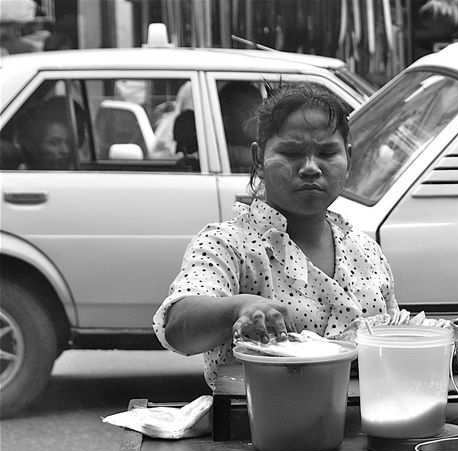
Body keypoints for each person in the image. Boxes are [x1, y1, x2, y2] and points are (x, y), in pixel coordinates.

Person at [153, 82, 399, 388]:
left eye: (326, 152)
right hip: (261, 430)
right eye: (291, 153)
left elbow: (396, 344)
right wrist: (239, 307)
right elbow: (178, 328)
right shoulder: (228, 245)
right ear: (259, 159)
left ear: (348, 157)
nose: (310, 167)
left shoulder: (366, 251)